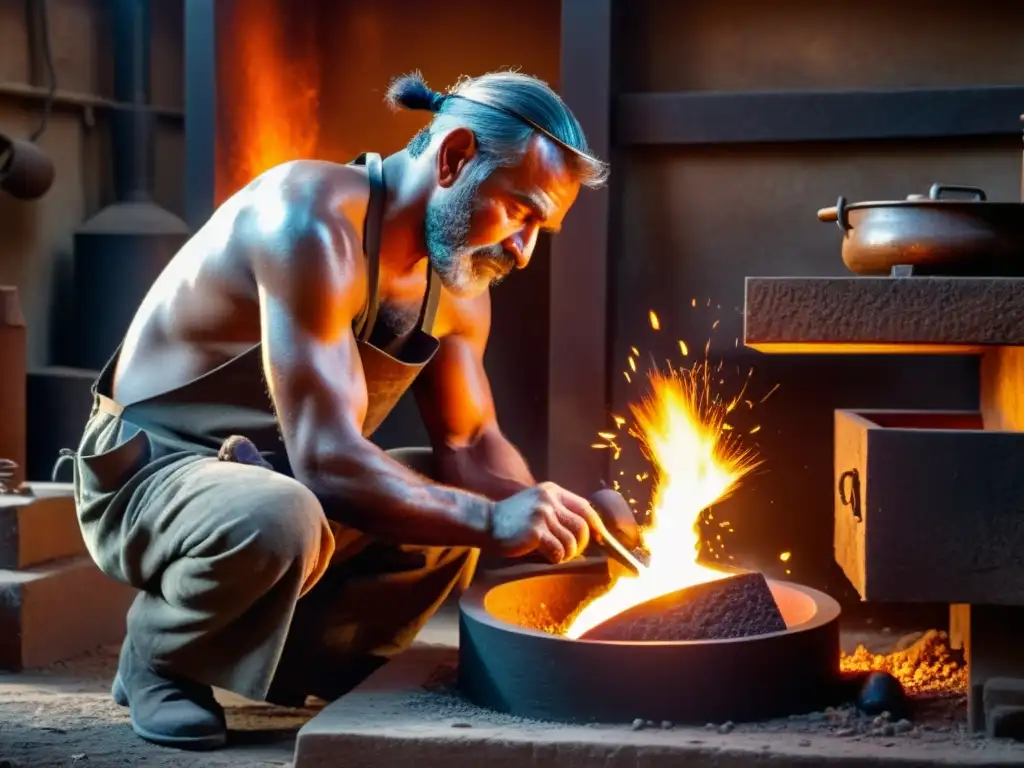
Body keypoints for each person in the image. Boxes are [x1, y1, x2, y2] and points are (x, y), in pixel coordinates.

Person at [70, 70, 629, 751]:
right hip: (152, 474)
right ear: (454, 158)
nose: (523, 248)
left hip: (279, 475)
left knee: (444, 498)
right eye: (520, 211)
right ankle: (159, 657)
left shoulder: (456, 280)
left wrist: (559, 521)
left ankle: (302, 662)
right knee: (282, 516)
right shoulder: (307, 218)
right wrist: (491, 516)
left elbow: (474, 447)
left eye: (541, 227)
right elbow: (329, 460)